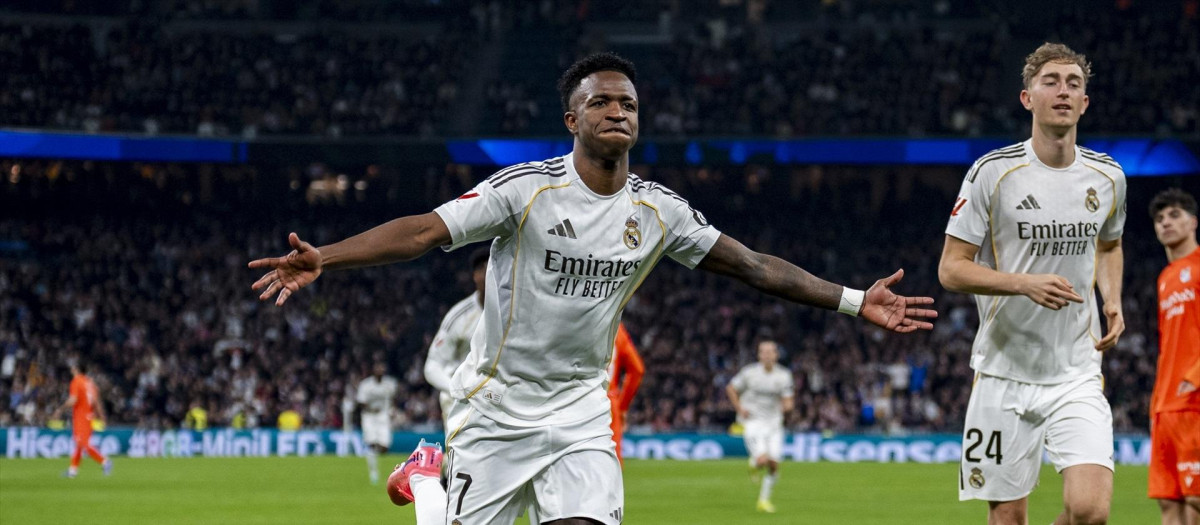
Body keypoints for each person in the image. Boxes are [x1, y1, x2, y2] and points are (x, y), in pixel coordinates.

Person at [251, 52, 935, 525]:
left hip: (581, 411)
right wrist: (327, 259)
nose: (618, 110)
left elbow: (752, 264)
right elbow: (425, 231)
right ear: (572, 120)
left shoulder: (657, 210)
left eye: (628, 102)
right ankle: (426, 475)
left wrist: (853, 299)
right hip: (496, 406)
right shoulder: (525, 191)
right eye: (600, 101)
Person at [938, 42, 1126, 525]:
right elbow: (951, 269)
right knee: (1007, 519)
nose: (1063, 91)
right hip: (1002, 374)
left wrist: (1114, 300)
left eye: (1074, 84)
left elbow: (1109, 244)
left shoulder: (1108, 176)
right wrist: (1023, 283)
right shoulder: (991, 173)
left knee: (1090, 512)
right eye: (1051, 81)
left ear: (1085, 102)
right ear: (1027, 98)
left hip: (1076, 372)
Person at [1147, 188, 1200, 525]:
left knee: (1196, 497)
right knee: (1171, 503)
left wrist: (1194, 376)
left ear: (1193, 222)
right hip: (1164, 404)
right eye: (1160, 218)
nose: (1166, 222)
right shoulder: (1165, 278)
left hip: (1193, 399)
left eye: (1175, 215)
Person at [725, 340, 793, 514]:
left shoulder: (784, 376)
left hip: (774, 423)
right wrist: (739, 408)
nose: (768, 355)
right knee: (763, 460)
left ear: (777, 355)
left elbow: (788, 400)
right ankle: (755, 462)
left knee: (774, 465)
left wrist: (788, 406)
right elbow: (731, 388)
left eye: (771, 352)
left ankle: (763, 501)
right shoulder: (750, 373)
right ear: (759, 355)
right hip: (754, 422)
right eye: (764, 352)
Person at [425, 248, 487, 425]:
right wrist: (456, 388)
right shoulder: (458, 316)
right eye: (485, 269)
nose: (492, 274)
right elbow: (432, 365)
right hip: (462, 398)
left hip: (497, 396)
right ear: (475, 275)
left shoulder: (513, 312)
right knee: (461, 453)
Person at [50, 361, 112, 478]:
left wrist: (60, 409)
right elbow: (96, 401)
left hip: (81, 417)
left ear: (77, 369)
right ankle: (73, 471)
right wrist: (102, 416)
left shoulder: (76, 381)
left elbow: (73, 399)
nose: (71, 369)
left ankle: (105, 461)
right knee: (79, 444)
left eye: (73, 367)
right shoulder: (89, 382)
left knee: (84, 443)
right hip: (89, 416)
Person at [357, 361, 398, 485]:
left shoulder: (389, 384)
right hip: (369, 416)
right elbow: (360, 402)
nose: (380, 370)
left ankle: (372, 454)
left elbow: (393, 399)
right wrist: (370, 407)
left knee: (384, 446)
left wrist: (392, 410)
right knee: (371, 443)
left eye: (382, 368)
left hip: (383, 416)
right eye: (378, 368)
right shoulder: (366, 385)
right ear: (373, 370)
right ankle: (373, 472)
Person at [608, 323, 644, 463]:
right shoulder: (617, 329)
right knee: (611, 466)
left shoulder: (579, 320)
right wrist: (622, 407)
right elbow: (637, 370)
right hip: (608, 404)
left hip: (576, 398)